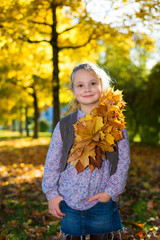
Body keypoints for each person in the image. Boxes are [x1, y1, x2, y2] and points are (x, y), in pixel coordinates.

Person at [42, 62, 130, 240]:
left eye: (93, 83)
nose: (87, 89)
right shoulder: (65, 125)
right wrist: (52, 194)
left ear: (102, 86)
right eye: (80, 85)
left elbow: (123, 161)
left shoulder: (114, 123)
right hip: (69, 198)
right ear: (74, 91)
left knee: (102, 237)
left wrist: (111, 192)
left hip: (102, 197)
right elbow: (52, 161)